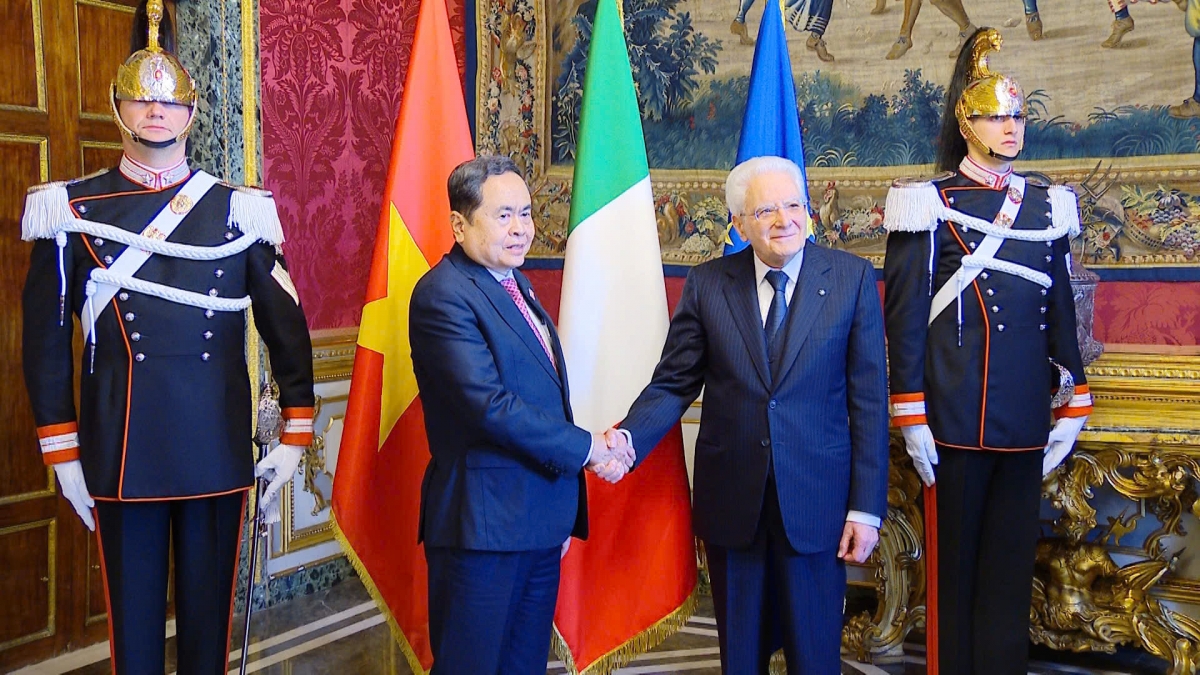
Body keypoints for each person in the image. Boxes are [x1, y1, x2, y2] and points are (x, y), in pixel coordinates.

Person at [19, 1, 314, 671]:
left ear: (192, 109)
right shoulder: (71, 209)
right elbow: (44, 345)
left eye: (170, 99)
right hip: (123, 448)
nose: (156, 110)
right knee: (136, 643)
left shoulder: (238, 209)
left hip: (214, 443)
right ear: (117, 105)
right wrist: (62, 452)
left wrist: (294, 434)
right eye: (142, 97)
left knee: (208, 640)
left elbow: (286, 328)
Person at [614, 155, 890, 673]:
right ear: (739, 224)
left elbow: (870, 402)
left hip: (817, 504)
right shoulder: (708, 284)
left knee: (814, 658)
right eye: (766, 211)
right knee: (740, 658)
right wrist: (628, 439)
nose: (785, 220)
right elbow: (674, 383)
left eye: (793, 206)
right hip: (733, 503)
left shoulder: (850, 279)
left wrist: (866, 509)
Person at [882, 27, 1093, 674]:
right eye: (996, 117)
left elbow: (1059, 309)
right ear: (965, 123)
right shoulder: (929, 204)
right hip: (955, 417)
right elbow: (905, 315)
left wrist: (1075, 398)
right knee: (954, 576)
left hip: (1025, 416)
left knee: (1007, 576)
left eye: (1018, 116)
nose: (1010, 128)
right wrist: (911, 411)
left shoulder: (1049, 205)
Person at [408, 155, 633, 674]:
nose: (521, 229)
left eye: (526, 213)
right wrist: (590, 448)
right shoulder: (443, 294)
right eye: (503, 215)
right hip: (483, 530)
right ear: (459, 224)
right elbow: (488, 407)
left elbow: (539, 394)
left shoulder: (515, 285)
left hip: (534, 522)